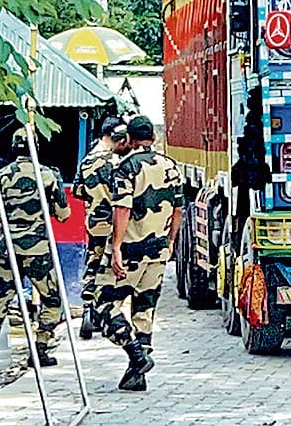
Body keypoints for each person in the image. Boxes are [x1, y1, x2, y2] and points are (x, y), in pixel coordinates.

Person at [0, 128, 70, 387]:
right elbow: (64, 214)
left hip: (8, 250)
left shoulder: (1, 176)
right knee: (52, 298)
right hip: (37, 250)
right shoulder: (47, 175)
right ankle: (41, 350)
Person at [95, 116, 183, 391]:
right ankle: (138, 374)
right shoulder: (171, 166)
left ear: (130, 140)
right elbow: (179, 208)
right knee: (144, 310)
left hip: (132, 249)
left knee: (104, 306)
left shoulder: (126, 167)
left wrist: (117, 248)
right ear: (153, 138)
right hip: (157, 249)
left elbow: (122, 209)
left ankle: (135, 354)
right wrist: (170, 241)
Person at [72, 115, 125, 339]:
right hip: (118, 225)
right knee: (114, 269)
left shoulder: (87, 161)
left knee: (92, 266)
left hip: (96, 223)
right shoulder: (120, 162)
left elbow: (77, 191)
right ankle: (107, 315)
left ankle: (87, 310)